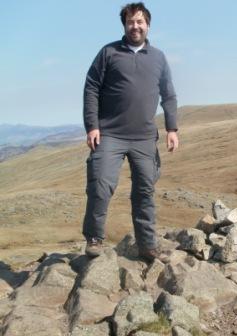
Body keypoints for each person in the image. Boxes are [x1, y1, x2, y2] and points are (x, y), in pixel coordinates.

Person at [82, 2, 178, 261]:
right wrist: (92, 125)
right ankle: (94, 238)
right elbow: (91, 87)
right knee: (100, 184)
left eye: (139, 22)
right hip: (109, 134)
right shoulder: (108, 52)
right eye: (130, 22)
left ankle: (148, 246)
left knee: (145, 190)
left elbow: (168, 94)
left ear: (147, 24)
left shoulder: (158, 57)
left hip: (144, 137)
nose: (135, 26)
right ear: (124, 25)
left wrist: (172, 128)